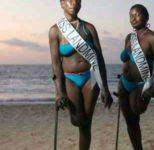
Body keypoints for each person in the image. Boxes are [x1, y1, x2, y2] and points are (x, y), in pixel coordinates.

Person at [49, 0, 113, 149]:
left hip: (91, 76)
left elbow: (100, 59)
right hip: (69, 78)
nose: (74, 3)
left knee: (86, 124)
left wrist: (105, 88)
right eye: (69, 0)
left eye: (77, 0)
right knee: (78, 120)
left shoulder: (89, 28)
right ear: (62, 4)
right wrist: (59, 92)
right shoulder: (55, 30)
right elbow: (56, 63)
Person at [117, 4, 154, 150]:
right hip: (124, 83)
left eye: (137, 14)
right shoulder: (129, 37)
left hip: (141, 84)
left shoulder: (153, 38)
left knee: (137, 109)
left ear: (146, 17)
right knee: (130, 122)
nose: (133, 18)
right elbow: (124, 58)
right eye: (130, 15)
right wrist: (126, 51)